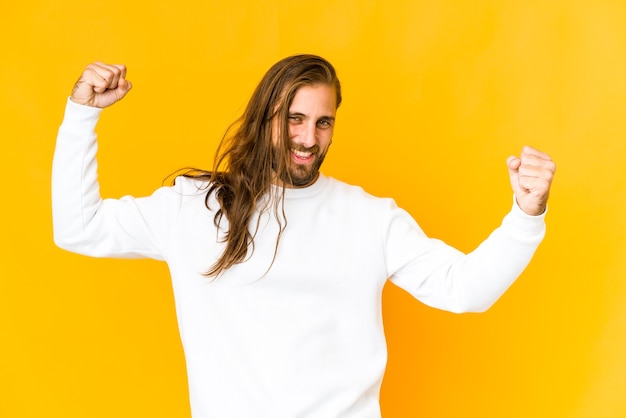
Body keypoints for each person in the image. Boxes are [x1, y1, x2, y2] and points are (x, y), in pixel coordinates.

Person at [52, 55, 556, 418]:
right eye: (293, 119)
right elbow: (80, 228)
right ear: (263, 117)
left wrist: (526, 214)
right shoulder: (193, 207)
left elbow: (464, 289)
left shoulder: (369, 217)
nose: (308, 139)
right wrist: (82, 114)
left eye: (323, 122)